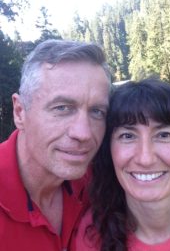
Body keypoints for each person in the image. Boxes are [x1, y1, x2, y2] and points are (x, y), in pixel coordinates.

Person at [74, 77, 170, 251]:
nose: (145, 159)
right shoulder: (91, 236)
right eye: (127, 136)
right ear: (109, 150)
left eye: (164, 135)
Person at [0, 39, 111, 251]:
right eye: (62, 108)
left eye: (97, 111)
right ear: (20, 112)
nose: (84, 133)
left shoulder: (99, 183)